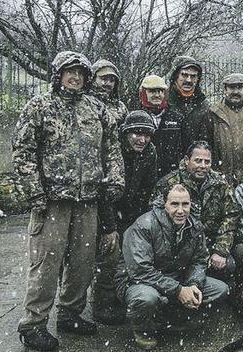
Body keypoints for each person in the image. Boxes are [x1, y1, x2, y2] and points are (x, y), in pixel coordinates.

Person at [13, 51, 124, 351]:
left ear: (87, 78)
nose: (75, 77)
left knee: (83, 263)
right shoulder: (40, 106)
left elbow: (112, 148)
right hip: (52, 202)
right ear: (58, 75)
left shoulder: (96, 109)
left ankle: (69, 313)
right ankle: (33, 324)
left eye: (80, 73)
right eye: (69, 72)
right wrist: (34, 191)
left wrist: (114, 180)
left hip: (88, 199)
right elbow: (22, 152)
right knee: (46, 265)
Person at [116, 184, 229, 350]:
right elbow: (140, 271)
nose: (181, 210)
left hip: (175, 278)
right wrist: (178, 291)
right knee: (146, 298)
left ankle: (170, 319)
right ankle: (143, 329)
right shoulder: (144, 225)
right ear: (164, 204)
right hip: (137, 282)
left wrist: (193, 285)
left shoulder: (195, 226)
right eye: (174, 204)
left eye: (185, 204)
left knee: (220, 289)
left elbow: (199, 260)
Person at [93, 110, 159, 326]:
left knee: (134, 252)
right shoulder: (114, 152)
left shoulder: (150, 152)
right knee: (110, 254)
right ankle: (102, 303)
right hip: (107, 209)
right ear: (125, 134)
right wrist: (110, 227)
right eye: (136, 134)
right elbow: (104, 194)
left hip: (132, 210)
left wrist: (137, 224)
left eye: (147, 134)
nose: (142, 139)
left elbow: (147, 189)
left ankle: (125, 297)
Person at [155, 142, 239, 281]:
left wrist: (220, 250)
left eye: (207, 162)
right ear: (187, 160)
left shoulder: (220, 183)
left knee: (229, 265)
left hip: (210, 244)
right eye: (198, 161)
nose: (203, 166)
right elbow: (157, 217)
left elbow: (231, 217)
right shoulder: (169, 183)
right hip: (179, 247)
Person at [138, 75, 184, 178]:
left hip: (171, 175)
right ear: (143, 93)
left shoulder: (177, 118)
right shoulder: (136, 117)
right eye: (152, 91)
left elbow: (183, 148)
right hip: (143, 175)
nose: (157, 95)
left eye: (160, 91)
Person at [167, 56, 209, 150]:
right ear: (175, 76)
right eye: (184, 75)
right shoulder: (163, 103)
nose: (189, 80)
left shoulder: (204, 106)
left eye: (193, 76)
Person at [90, 59, 128, 128]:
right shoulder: (85, 102)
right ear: (93, 79)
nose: (108, 83)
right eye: (104, 79)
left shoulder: (120, 107)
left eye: (112, 80)